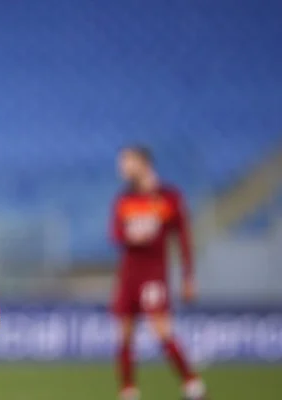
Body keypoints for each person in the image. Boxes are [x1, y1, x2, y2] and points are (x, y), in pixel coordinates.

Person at [110, 146, 206, 400]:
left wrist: (188, 276)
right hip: (129, 275)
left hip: (153, 274)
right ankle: (128, 391)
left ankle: (193, 386)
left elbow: (183, 238)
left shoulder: (168, 198)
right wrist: (131, 236)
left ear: (142, 164)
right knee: (124, 335)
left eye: (126, 162)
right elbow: (115, 234)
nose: (122, 168)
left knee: (162, 331)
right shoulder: (124, 200)